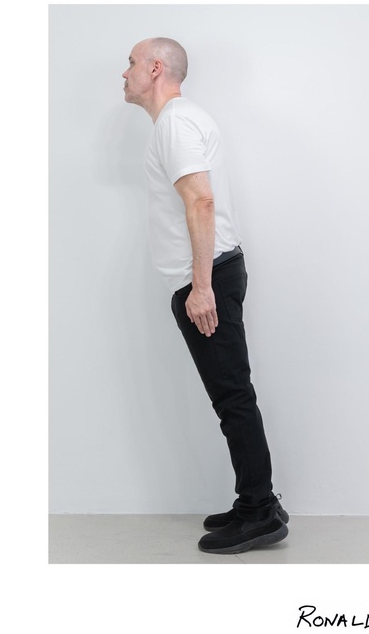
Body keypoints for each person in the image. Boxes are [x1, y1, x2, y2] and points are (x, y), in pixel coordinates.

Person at [122, 37, 288, 554]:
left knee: (233, 397)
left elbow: (201, 202)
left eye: (131, 63)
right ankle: (256, 500)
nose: (123, 72)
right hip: (212, 272)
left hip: (207, 277)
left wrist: (200, 287)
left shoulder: (175, 123)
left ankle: (260, 513)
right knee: (234, 394)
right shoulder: (179, 121)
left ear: (155, 68)